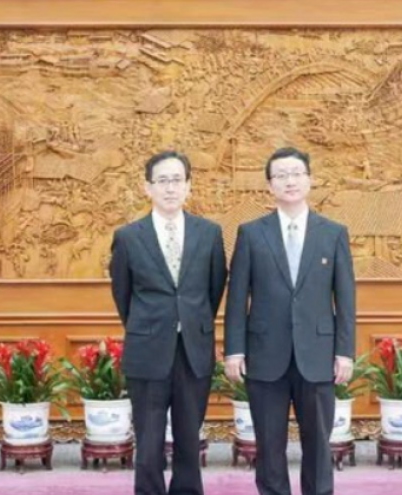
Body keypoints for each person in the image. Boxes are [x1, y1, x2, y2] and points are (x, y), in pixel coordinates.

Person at [224, 147, 357, 495]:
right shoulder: (251, 233)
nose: (290, 181)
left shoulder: (333, 233)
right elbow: (237, 297)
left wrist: (345, 352)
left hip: (318, 355)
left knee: (318, 445)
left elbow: (345, 298)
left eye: (297, 173)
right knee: (269, 445)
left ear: (309, 180)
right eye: (281, 175)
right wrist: (234, 350)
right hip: (265, 355)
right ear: (270, 185)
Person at [110, 151, 228, 495]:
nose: (170, 188)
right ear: (147, 187)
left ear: (189, 185)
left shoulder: (209, 233)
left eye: (177, 180)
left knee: (189, 437)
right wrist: (150, 325)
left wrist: (190, 321)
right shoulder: (128, 237)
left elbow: (214, 289)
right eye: (162, 181)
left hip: (194, 349)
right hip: (147, 349)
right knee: (148, 441)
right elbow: (123, 294)